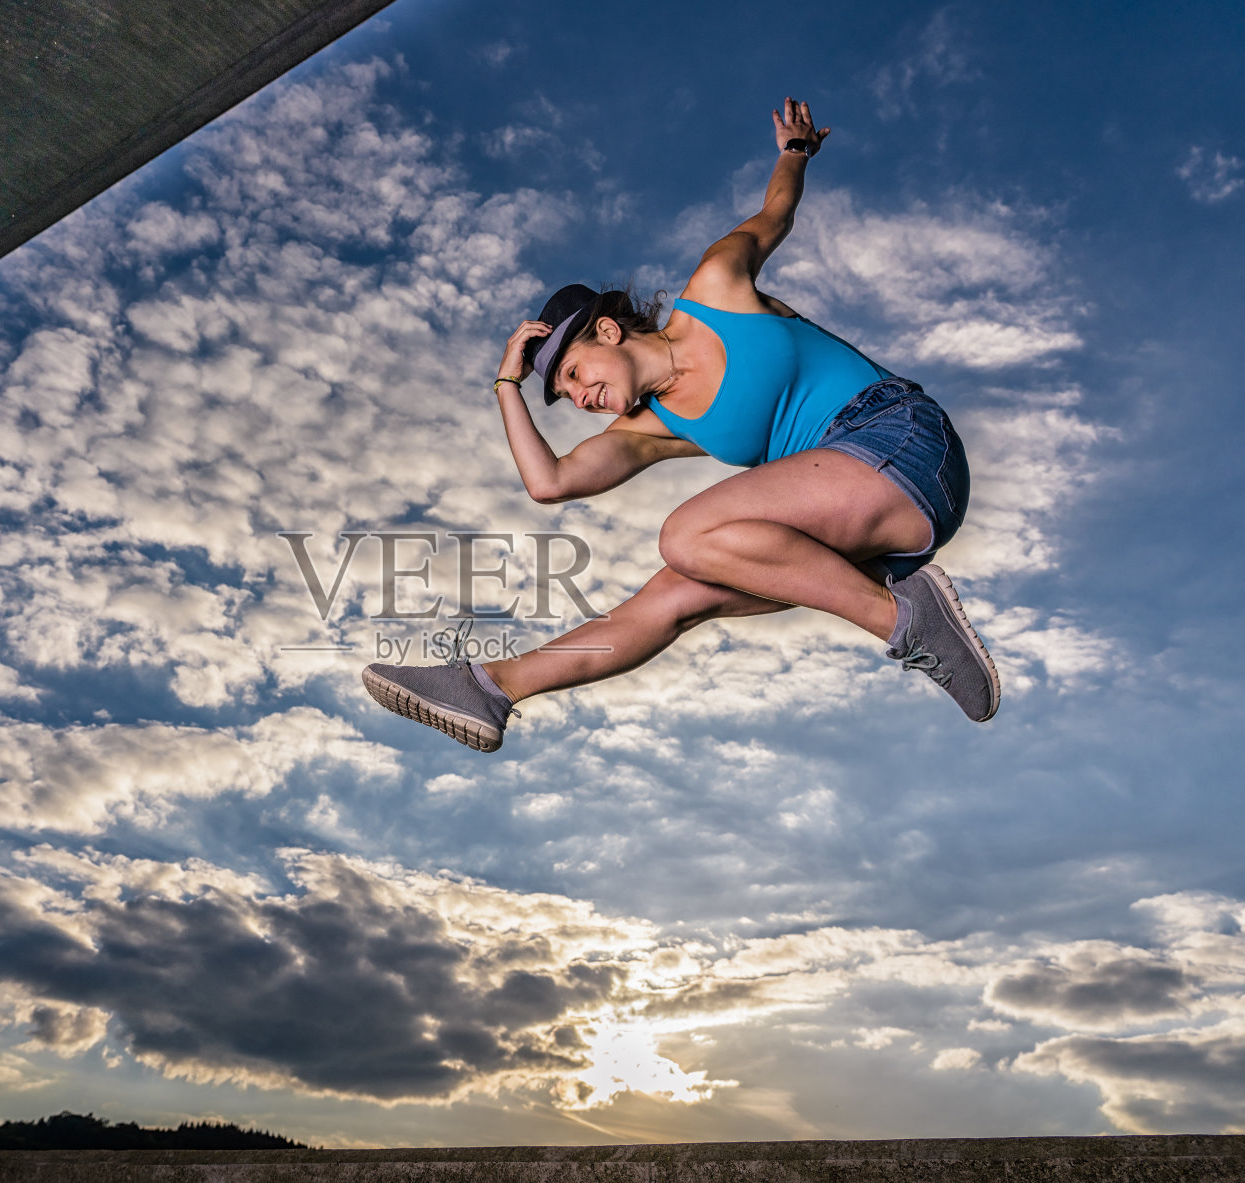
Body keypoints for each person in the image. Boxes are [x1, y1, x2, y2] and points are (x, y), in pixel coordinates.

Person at [363, 99, 998, 752]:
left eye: (575, 374)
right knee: (676, 594)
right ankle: (491, 687)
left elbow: (774, 214)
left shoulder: (717, 288)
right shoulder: (651, 429)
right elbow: (548, 483)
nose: (581, 399)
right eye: (567, 396)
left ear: (607, 330)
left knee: (687, 535)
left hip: (902, 441)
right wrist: (505, 386)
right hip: (877, 533)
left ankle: (904, 620)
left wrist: (795, 151)